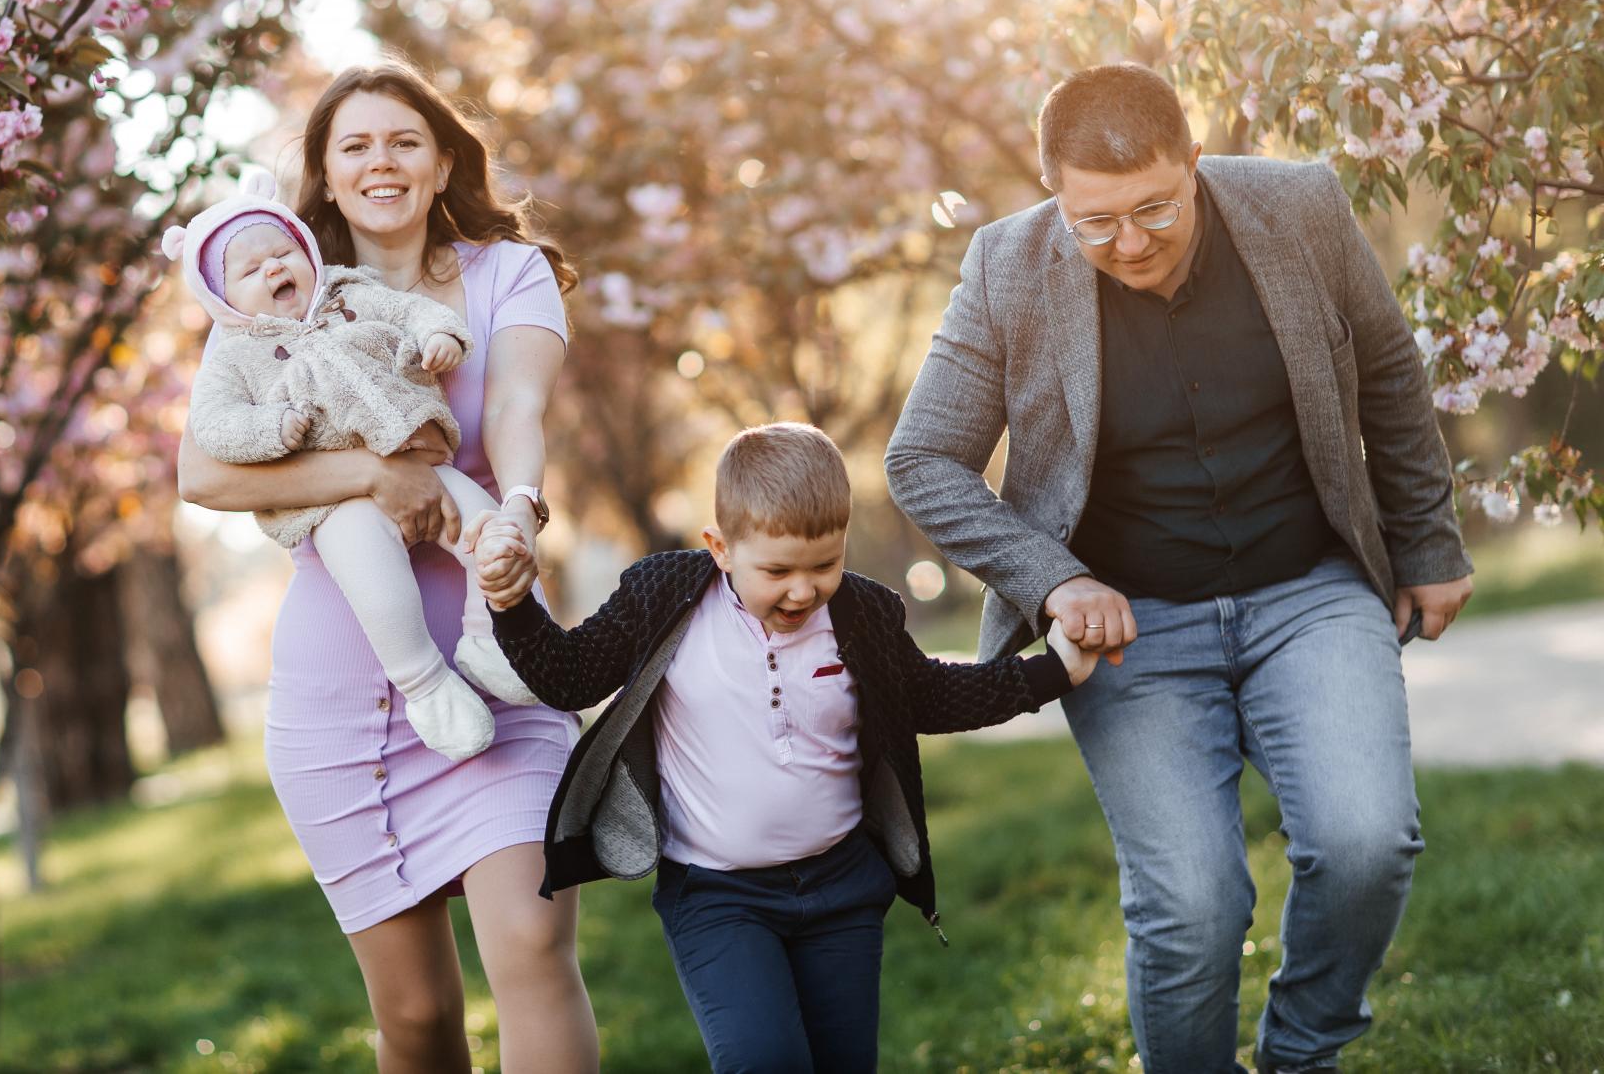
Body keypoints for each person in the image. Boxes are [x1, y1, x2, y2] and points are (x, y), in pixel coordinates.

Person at [884, 63, 1474, 1074]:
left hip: (1308, 587)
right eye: (1095, 221)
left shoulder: (1299, 206)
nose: (1129, 241)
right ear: (1052, 190)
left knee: (1366, 840)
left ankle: (1300, 1052)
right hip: (1130, 629)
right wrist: (1051, 578)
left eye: (1154, 206)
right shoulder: (1005, 264)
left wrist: (1424, 542)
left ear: (1193, 161)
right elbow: (920, 458)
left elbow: (1385, 367)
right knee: (1191, 905)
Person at [175, 59, 597, 1072]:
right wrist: (370, 473)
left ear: (443, 157)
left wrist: (519, 512)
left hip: (497, 650)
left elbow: (513, 414)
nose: (382, 162)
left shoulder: (506, 273)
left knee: (532, 941)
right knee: (412, 1018)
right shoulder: (269, 289)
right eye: (354, 144)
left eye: (404, 140)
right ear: (323, 170)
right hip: (338, 692)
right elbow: (203, 467)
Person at [478, 422, 1096, 1074]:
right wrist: (511, 602)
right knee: (764, 1058)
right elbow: (568, 675)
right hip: (718, 895)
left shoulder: (862, 614)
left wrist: (1053, 670)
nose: (803, 590)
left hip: (841, 887)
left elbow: (931, 696)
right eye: (777, 570)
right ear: (721, 547)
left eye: (824, 564)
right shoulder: (663, 598)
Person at [165, 181, 536, 761]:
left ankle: (488, 638)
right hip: (338, 506)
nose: (273, 270)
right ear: (223, 300)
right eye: (250, 270)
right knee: (378, 589)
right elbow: (214, 424)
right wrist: (269, 430)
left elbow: (409, 308)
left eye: (283, 253)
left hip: (419, 460)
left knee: (489, 531)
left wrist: (438, 334)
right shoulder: (236, 355)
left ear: (308, 254)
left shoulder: (350, 292)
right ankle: (426, 686)